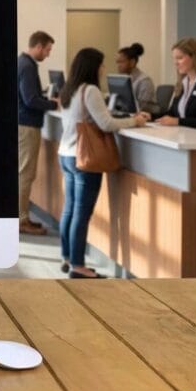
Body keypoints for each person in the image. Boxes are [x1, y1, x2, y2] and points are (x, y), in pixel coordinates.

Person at [58, 48, 149, 278]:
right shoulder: (90, 90)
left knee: (69, 209)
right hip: (85, 158)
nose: (103, 69)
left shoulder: (69, 90)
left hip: (66, 154)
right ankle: (78, 266)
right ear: (92, 67)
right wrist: (135, 121)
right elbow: (106, 124)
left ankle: (67, 257)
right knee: (81, 213)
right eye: (101, 64)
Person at [18, 31, 59, 235]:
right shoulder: (27, 66)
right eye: (48, 50)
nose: (48, 54)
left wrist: (48, 101)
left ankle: (21, 216)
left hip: (22, 123)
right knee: (25, 174)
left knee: (23, 173)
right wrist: (53, 104)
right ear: (39, 46)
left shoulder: (23, 63)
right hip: (26, 125)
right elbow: (30, 100)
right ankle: (21, 220)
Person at [115, 42, 160, 114]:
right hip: (130, 115)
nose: (118, 65)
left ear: (132, 62)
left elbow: (142, 106)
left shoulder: (145, 81)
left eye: (121, 62)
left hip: (147, 117)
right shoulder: (124, 80)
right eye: (117, 62)